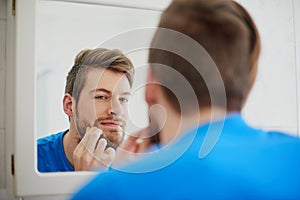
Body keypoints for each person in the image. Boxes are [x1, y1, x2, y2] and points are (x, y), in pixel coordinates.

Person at [72, 0, 300, 199]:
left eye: (123, 98)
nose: (114, 109)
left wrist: (118, 181)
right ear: (246, 85)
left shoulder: (106, 192)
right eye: (101, 96)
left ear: (150, 87)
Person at [37, 48, 135, 172]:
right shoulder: (33, 160)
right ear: (69, 105)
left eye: (123, 99)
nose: (117, 110)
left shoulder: (135, 163)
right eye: (101, 97)